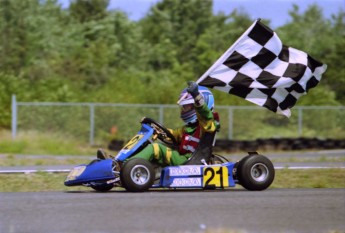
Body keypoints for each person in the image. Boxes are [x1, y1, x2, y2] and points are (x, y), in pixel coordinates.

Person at [97, 81, 219, 167]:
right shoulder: (188, 129)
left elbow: (205, 116)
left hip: (191, 161)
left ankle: (123, 166)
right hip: (183, 158)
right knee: (148, 144)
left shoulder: (207, 126)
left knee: (156, 149)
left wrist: (197, 97)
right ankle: (121, 162)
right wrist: (159, 131)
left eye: (187, 107)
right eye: (184, 107)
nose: (184, 110)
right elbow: (172, 135)